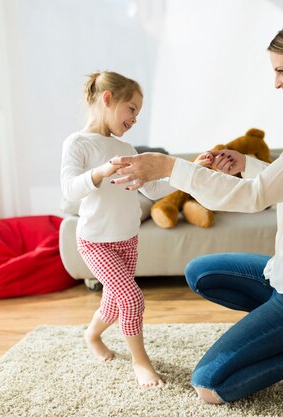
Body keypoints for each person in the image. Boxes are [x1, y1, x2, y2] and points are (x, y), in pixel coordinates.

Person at [110, 17, 283, 404]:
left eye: (282, 70)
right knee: (202, 272)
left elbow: (254, 198)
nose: (277, 82)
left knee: (210, 384)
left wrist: (170, 168)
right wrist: (245, 164)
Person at [60, 71, 180, 388]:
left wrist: (189, 177)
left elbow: (151, 190)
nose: (135, 119)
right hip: (96, 242)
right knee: (132, 300)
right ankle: (141, 362)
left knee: (115, 303)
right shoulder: (78, 143)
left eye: (137, 113)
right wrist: (101, 171)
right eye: (132, 109)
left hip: (127, 239)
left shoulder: (126, 146)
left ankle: (92, 335)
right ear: (108, 99)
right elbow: (70, 190)